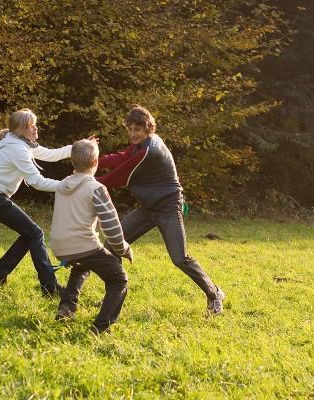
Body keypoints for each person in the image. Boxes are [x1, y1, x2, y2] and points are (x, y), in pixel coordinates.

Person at [96, 105, 225, 315]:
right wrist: (94, 159)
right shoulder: (140, 146)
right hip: (148, 207)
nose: (132, 134)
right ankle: (114, 294)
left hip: (168, 207)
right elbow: (121, 157)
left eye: (137, 129)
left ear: (148, 128)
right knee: (111, 244)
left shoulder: (149, 150)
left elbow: (118, 176)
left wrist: (87, 179)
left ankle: (214, 294)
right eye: (129, 129)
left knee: (179, 258)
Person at [0, 108, 71, 297]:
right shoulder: (17, 148)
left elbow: (50, 154)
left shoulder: (22, 143)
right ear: (19, 130)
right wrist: (69, 186)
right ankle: (50, 288)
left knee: (29, 234)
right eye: (30, 126)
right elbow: (37, 182)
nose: (35, 129)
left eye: (35, 124)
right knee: (35, 233)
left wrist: (77, 147)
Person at [49, 139, 133, 334]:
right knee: (118, 278)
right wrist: (124, 249)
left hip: (59, 246)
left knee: (83, 263)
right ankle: (101, 327)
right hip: (82, 245)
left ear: (73, 162)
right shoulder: (96, 189)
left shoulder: (62, 185)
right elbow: (111, 227)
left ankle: (67, 307)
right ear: (96, 162)